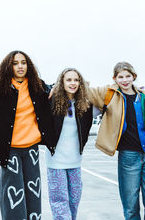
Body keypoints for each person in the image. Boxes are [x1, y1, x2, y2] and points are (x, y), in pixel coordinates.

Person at [88, 62, 145, 220]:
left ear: (134, 76)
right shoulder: (110, 94)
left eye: (128, 76)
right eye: (120, 77)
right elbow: (84, 91)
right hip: (128, 156)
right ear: (115, 78)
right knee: (130, 203)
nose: (124, 80)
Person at [0, 51, 52, 220]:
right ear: (9, 66)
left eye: (23, 62)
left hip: (31, 149)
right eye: (15, 63)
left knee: (33, 192)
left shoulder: (38, 87)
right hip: (9, 150)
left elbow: (58, 91)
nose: (20, 66)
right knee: (12, 195)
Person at [44, 68, 93, 220]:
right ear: (62, 82)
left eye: (76, 80)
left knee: (74, 199)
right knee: (59, 201)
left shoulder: (85, 104)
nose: (73, 83)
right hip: (56, 160)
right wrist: (51, 87)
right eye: (69, 80)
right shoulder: (51, 101)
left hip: (75, 160)